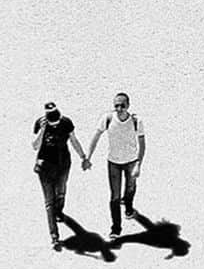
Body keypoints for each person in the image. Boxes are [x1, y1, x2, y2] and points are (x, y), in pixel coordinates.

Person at [83, 92, 146, 238]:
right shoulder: (107, 118)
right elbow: (96, 136)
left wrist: (138, 165)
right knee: (114, 197)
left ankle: (128, 207)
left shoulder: (136, 121)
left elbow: (142, 145)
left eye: (122, 106)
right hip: (114, 163)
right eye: (116, 105)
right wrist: (88, 157)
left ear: (128, 106)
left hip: (131, 161)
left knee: (130, 187)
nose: (119, 109)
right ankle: (116, 228)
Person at [32, 101, 87, 251]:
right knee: (49, 202)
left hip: (63, 165)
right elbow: (35, 146)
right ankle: (54, 236)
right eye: (52, 122)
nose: (55, 125)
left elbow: (74, 140)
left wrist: (83, 156)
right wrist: (42, 131)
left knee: (61, 192)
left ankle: (59, 211)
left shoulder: (66, 123)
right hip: (45, 169)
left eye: (57, 121)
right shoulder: (40, 123)